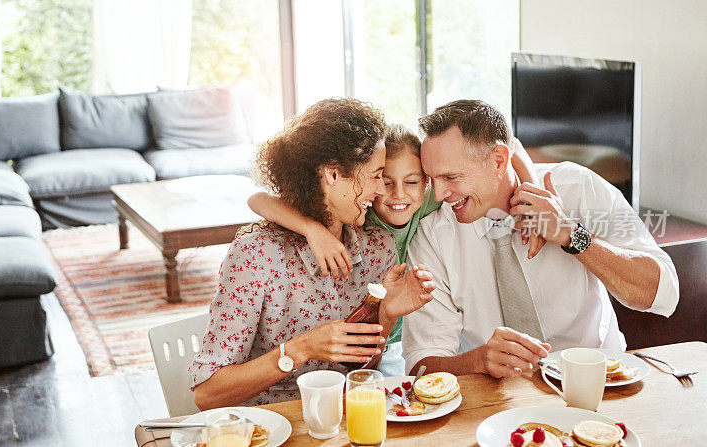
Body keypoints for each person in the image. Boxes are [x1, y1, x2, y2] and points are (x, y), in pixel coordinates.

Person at [402, 99, 679, 379]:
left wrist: (571, 235)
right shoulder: (433, 236)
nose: (438, 195)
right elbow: (420, 364)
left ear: (499, 160)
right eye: (432, 178)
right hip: (496, 401)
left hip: (600, 383)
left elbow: (664, 293)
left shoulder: (577, 188)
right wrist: (478, 361)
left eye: (451, 177)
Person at [189, 98, 436, 409]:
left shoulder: (377, 248)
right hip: (267, 426)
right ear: (333, 175)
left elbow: (360, 374)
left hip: (343, 423)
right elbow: (207, 394)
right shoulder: (255, 255)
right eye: (375, 176)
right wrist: (303, 348)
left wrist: (385, 315)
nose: (380, 190)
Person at [247, 123, 544, 376]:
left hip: (407, 338)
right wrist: (312, 230)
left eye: (412, 181)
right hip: (367, 340)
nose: (398, 195)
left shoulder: (431, 197)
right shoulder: (360, 213)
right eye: (384, 181)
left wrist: (535, 194)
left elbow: (510, 144)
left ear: (427, 182)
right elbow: (257, 199)